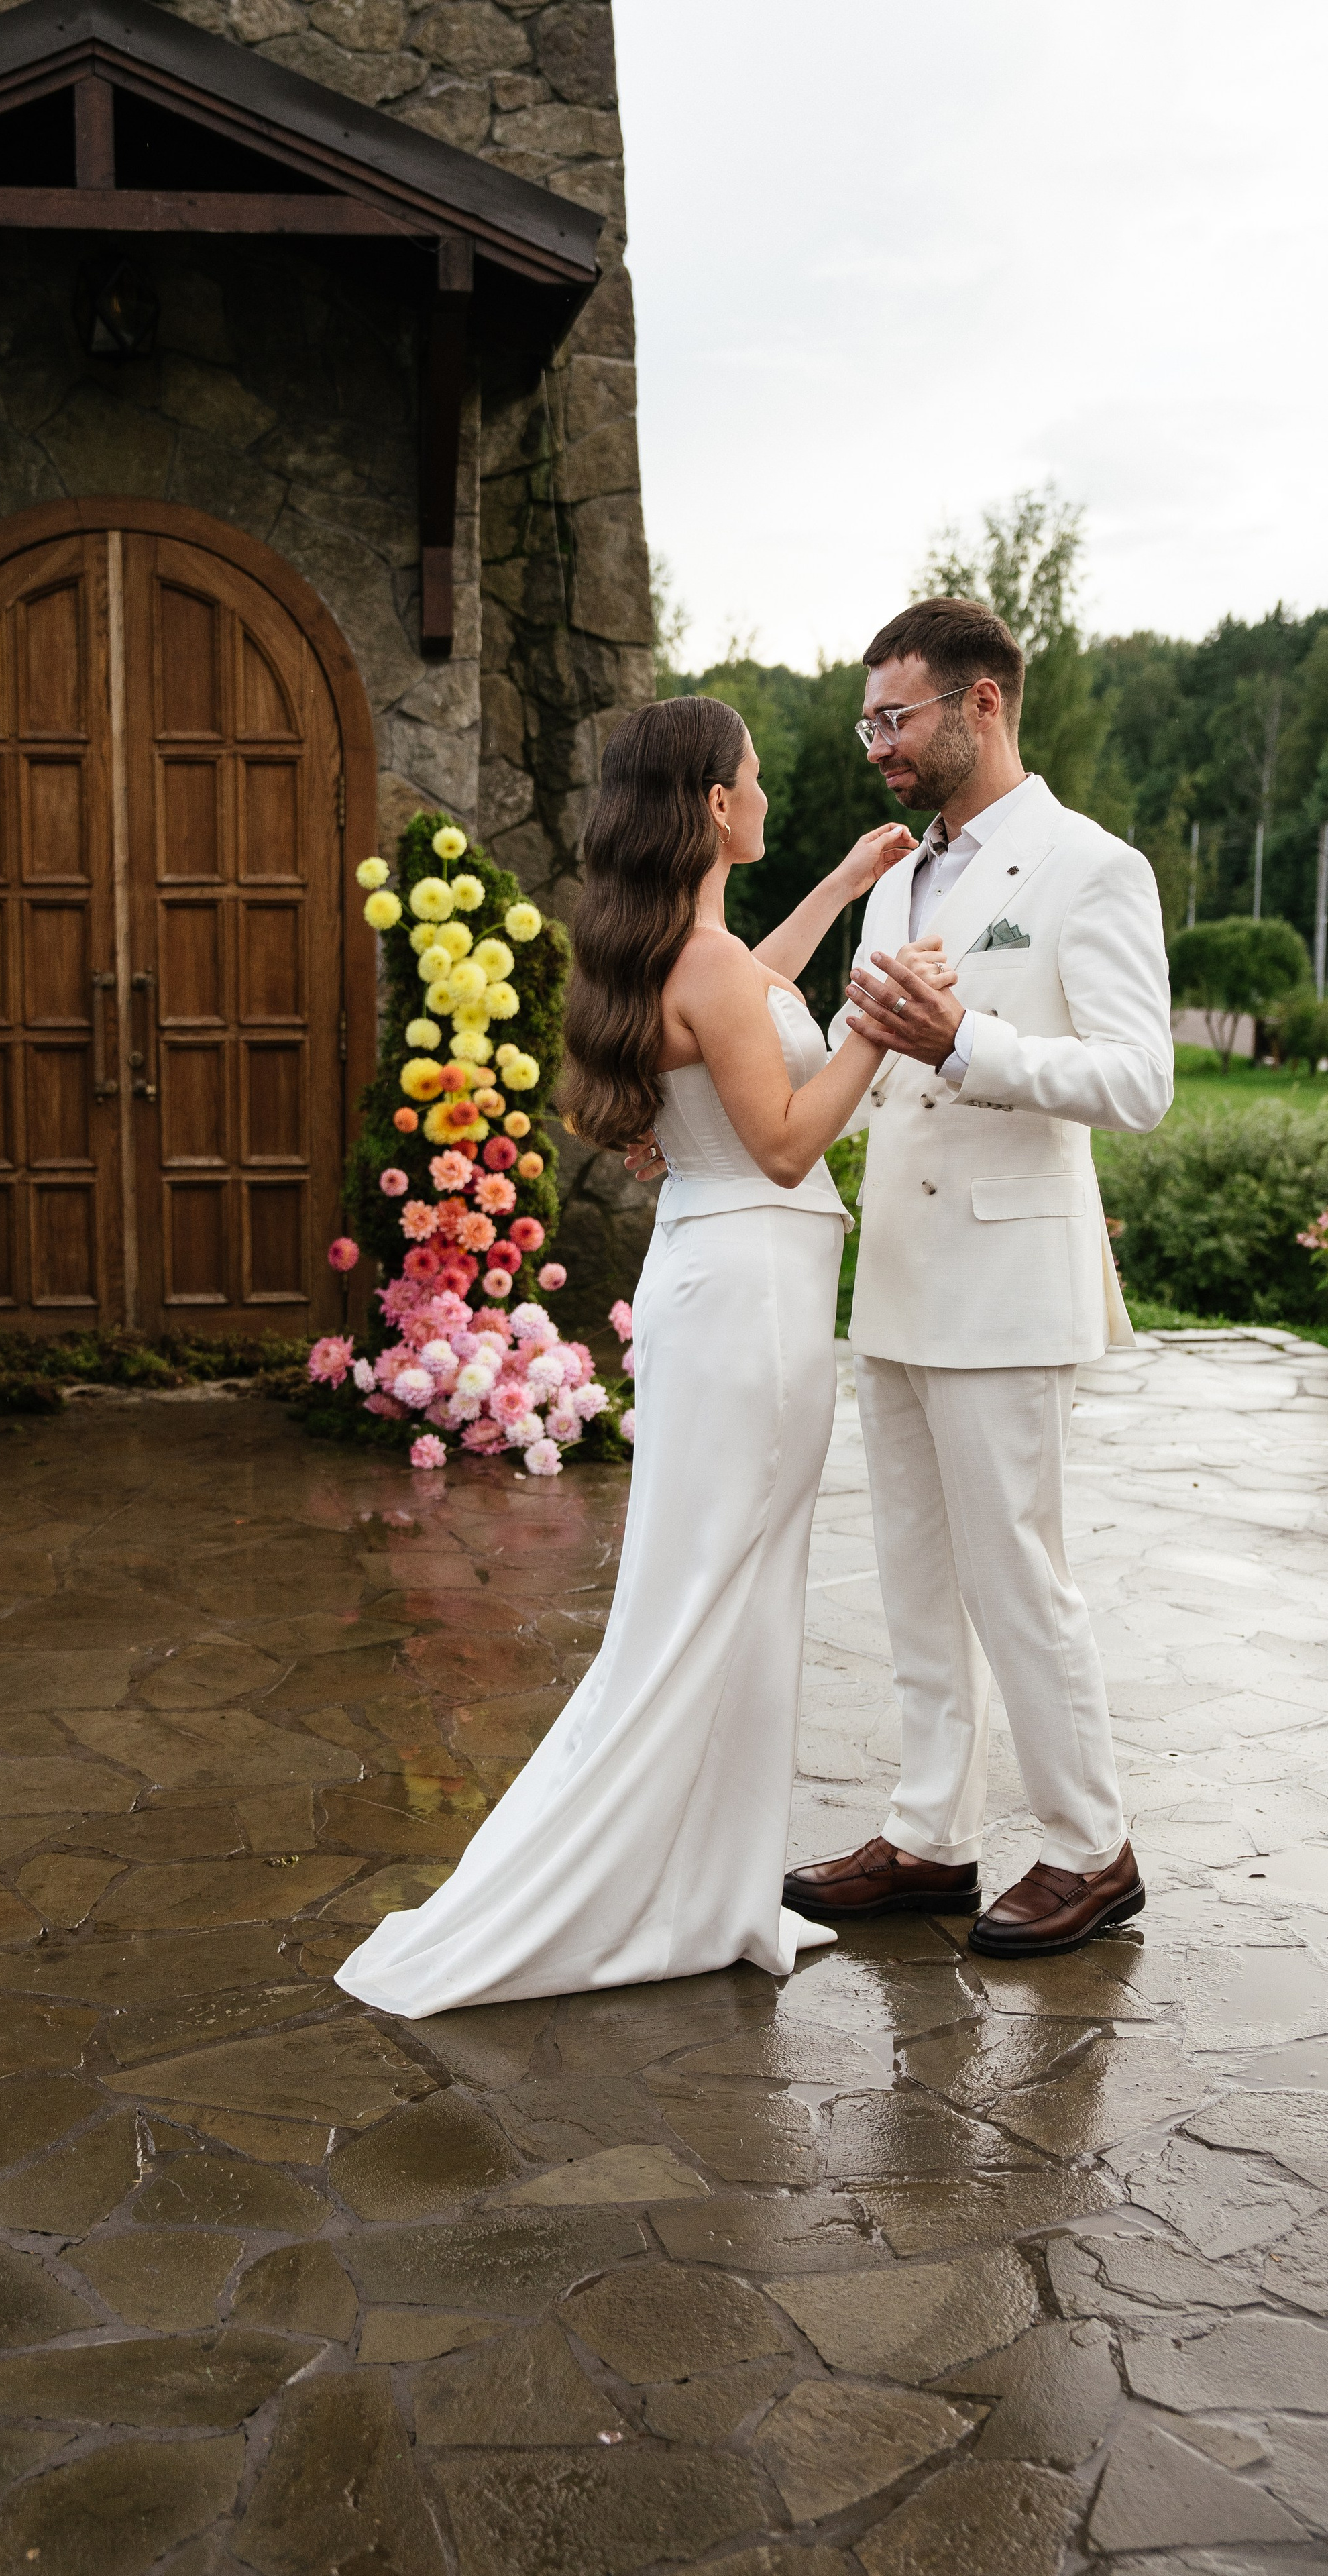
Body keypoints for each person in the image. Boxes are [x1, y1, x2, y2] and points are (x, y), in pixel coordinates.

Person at [334, 696, 917, 2017]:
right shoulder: (703, 967)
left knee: (722, 1591)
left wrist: (832, 889)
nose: (767, 794)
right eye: (756, 779)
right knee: (716, 1595)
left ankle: (710, 1895)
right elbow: (782, 1142)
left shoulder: (693, 952)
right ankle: (637, 1892)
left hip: (720, 1280)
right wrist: (877, 1028)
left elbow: (753, 1003)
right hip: (754, 1294)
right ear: (713, 803)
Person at [777, 596, 1174, 1956]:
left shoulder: (1091, 865)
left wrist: (968, 1044)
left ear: (981, 705)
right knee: (908, 1571)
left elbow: (1137, 1082)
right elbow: (849, 1043)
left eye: (895, 718)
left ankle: (1088, 1847)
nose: (875, 745)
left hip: (1007, 1284)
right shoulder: (894, 878)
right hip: (894, 1271)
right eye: (866, 721)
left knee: (1017, 1577)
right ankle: (928, 1836)